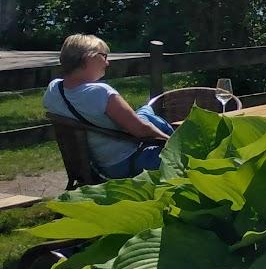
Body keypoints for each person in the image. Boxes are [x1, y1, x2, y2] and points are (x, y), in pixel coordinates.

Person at [43, 34, 174, 179]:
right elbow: (141, 130)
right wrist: (171, 143)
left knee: (145, 111)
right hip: (129, 162)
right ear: (88, 57)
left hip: (98, 164)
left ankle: (153, 116)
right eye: (104, 56)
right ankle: (178, 137)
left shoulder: (54, 89)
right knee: (149, 121)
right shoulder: (101, 93)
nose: (107, 63)